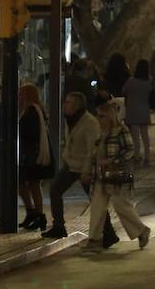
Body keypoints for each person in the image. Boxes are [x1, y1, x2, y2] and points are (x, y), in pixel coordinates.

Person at [42, 93, 118, 243]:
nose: (65, 104)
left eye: (68, 102)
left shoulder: (89, 122)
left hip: (85, 166)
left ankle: (109, 233)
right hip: (71, 165)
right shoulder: (70, 120)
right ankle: (58, 226)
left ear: (77, 105)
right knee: (55, 189)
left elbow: (92, 149)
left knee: (96, 200)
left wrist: (87, 170)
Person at [84, 98, 151, 250]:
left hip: (116, 176)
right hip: (100, 176)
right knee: (97, 207)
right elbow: (94, 155)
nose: (98, 119)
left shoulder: (121, 130)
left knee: (121, 206)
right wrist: (89, 170)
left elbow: (130, 150)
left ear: (110, 116)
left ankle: (141, 231)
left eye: (102, 116)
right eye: (98, 115)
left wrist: (112, 161)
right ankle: (94, 240)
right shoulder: (99, 133)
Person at [18, 83, 55, 230]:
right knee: (32, 184)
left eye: (21, 94)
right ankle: (36, 214)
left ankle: (35, 213)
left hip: (31, 155)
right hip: (33, 153)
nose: (19, 97)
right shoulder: (35, 110)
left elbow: (31, 133)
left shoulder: (31, 111)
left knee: (28, 183)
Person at [123, 60, 155, 167]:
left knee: (135, 137)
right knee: (145, 136)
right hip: (144, 110)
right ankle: (147, 157)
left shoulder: (131, 81)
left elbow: (124, 91)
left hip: (132, 111)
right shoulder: (150, 81)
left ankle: (137, 157)